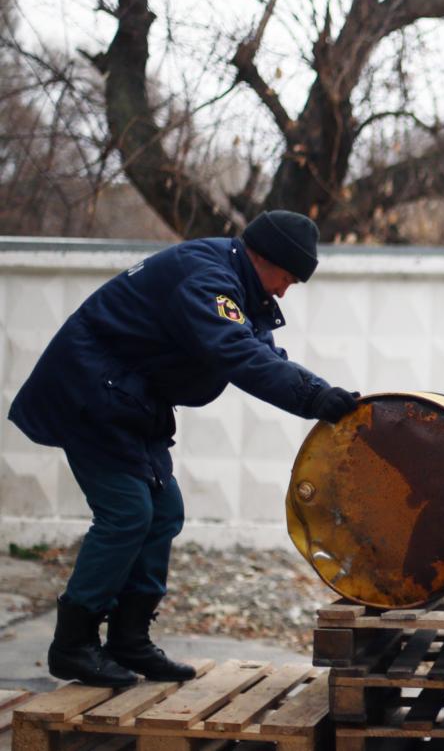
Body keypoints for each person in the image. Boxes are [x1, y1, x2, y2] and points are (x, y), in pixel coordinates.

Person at [7, 210, 361, 687]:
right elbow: (237, 352)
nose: (284, 291)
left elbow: (261, 352)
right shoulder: (205, 278)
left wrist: (321, 393)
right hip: (88, 394)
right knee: (127, 514)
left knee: (164, 511)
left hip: (129, 402)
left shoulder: (235, 281)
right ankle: (73, 645)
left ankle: (129, 639)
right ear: (266, 258)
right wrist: (314, 397)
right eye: (287, 279)